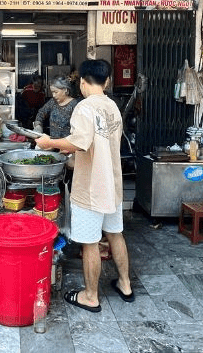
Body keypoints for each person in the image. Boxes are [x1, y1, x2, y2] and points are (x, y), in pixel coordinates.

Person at [35, 59, 133, 312]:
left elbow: (78, 142)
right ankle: (125, 284)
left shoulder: (84, 107)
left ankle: (90, 296)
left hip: (91, 186)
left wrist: (49, 143)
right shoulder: (112, 106)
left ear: (81, 81)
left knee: (90, 243)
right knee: (115, 234)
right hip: (112, 184)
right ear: (107, 81)